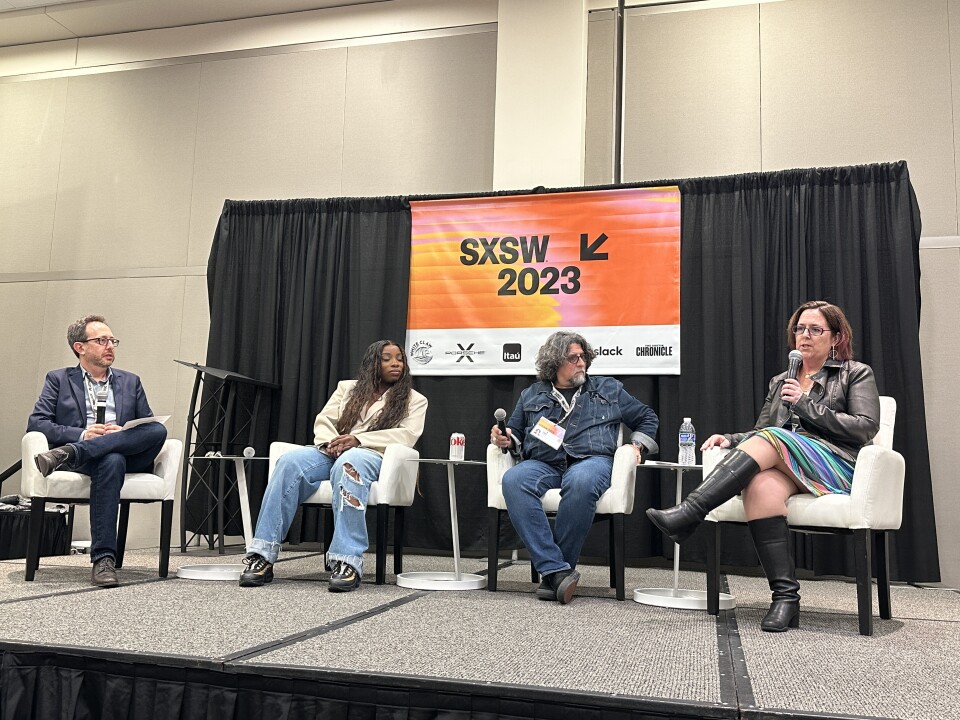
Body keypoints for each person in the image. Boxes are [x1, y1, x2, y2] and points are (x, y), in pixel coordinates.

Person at [646, 300, 881, 632]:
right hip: (789, 463)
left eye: (815, 330)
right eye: (800, 329)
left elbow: (865, 427)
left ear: (837, 337)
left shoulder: (854, 373)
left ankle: (689, 513)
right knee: (759, 487)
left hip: (835, 464)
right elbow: (761, 433)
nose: (805, 336)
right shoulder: (780, 380)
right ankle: (785, 599)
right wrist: (730, 438)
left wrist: (804, 403)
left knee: (773, 438)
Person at [240, 340, 428, 591]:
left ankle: (348, 561)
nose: (396, 363)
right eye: (387, 358)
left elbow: (406, 435)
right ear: (373, 362)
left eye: (400, 359)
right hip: (333, 449)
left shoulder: (415, 400)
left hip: (373, 455)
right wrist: (332, 443)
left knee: (350, 463)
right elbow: (324, 419)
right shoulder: (348, 389)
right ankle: (262, 555)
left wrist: (359, 439)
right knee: (289, 462)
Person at [491, 331, 659, 604]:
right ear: (554, 362)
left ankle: (553, 572)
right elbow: (515, 432)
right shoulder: (531, 393)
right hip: (544, 462)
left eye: (583, 356)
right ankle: (557, 571)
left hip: (592, 461)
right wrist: (503, 438)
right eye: (573, 358)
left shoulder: (608, 389)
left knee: (580, 482)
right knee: (513, 480)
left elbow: (646, 418)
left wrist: (636, 445)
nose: (581, 362)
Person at [28, 315, 168, 588]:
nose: (110, 346)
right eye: (101, 340)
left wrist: (123, 434)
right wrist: (82, 434)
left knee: (158, 431)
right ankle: (104, 559)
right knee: (111, 460)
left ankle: (71, 452)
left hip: (127, 454)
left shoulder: (130, 381)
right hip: (95, 461)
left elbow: (147, 427)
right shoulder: (58, 379)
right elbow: (37, 423)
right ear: (80, 347)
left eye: (112, 340)